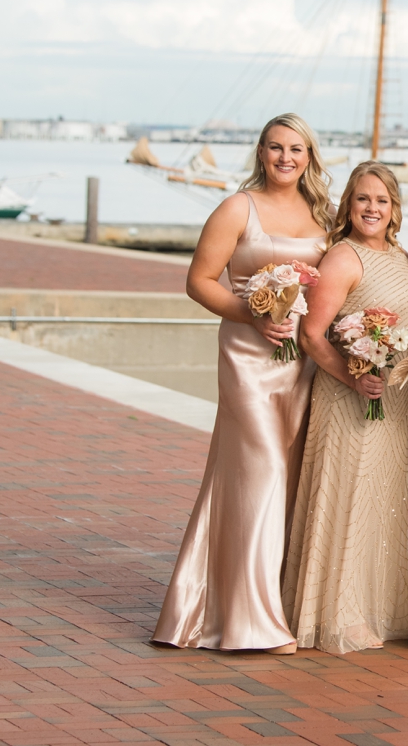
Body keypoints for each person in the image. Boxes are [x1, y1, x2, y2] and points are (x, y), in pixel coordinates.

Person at [153, 113, 331, 653]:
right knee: (265, 470)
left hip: (301, 362)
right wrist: (250, 313)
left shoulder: (323, 212)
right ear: (260, 152)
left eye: (296, 149)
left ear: (309, 157)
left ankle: (219, 603)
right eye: (275, 147)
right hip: (248, 358)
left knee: (275, 477)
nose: (285, 157)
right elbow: (198, 282)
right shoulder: (238, 207)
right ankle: (252, 624)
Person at [284, 162, 408, 653]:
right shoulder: (343, 258)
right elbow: (312, 334)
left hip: (394, 399)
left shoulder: (403, 257)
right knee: (345, 498)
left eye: (382, 200)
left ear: (394, 208)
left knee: (382, 502)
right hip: (348, 398)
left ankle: (376, 608)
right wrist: (353, 375)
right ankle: (336, 614)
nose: (372, 208)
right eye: (363, 199)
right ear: (350, 204)